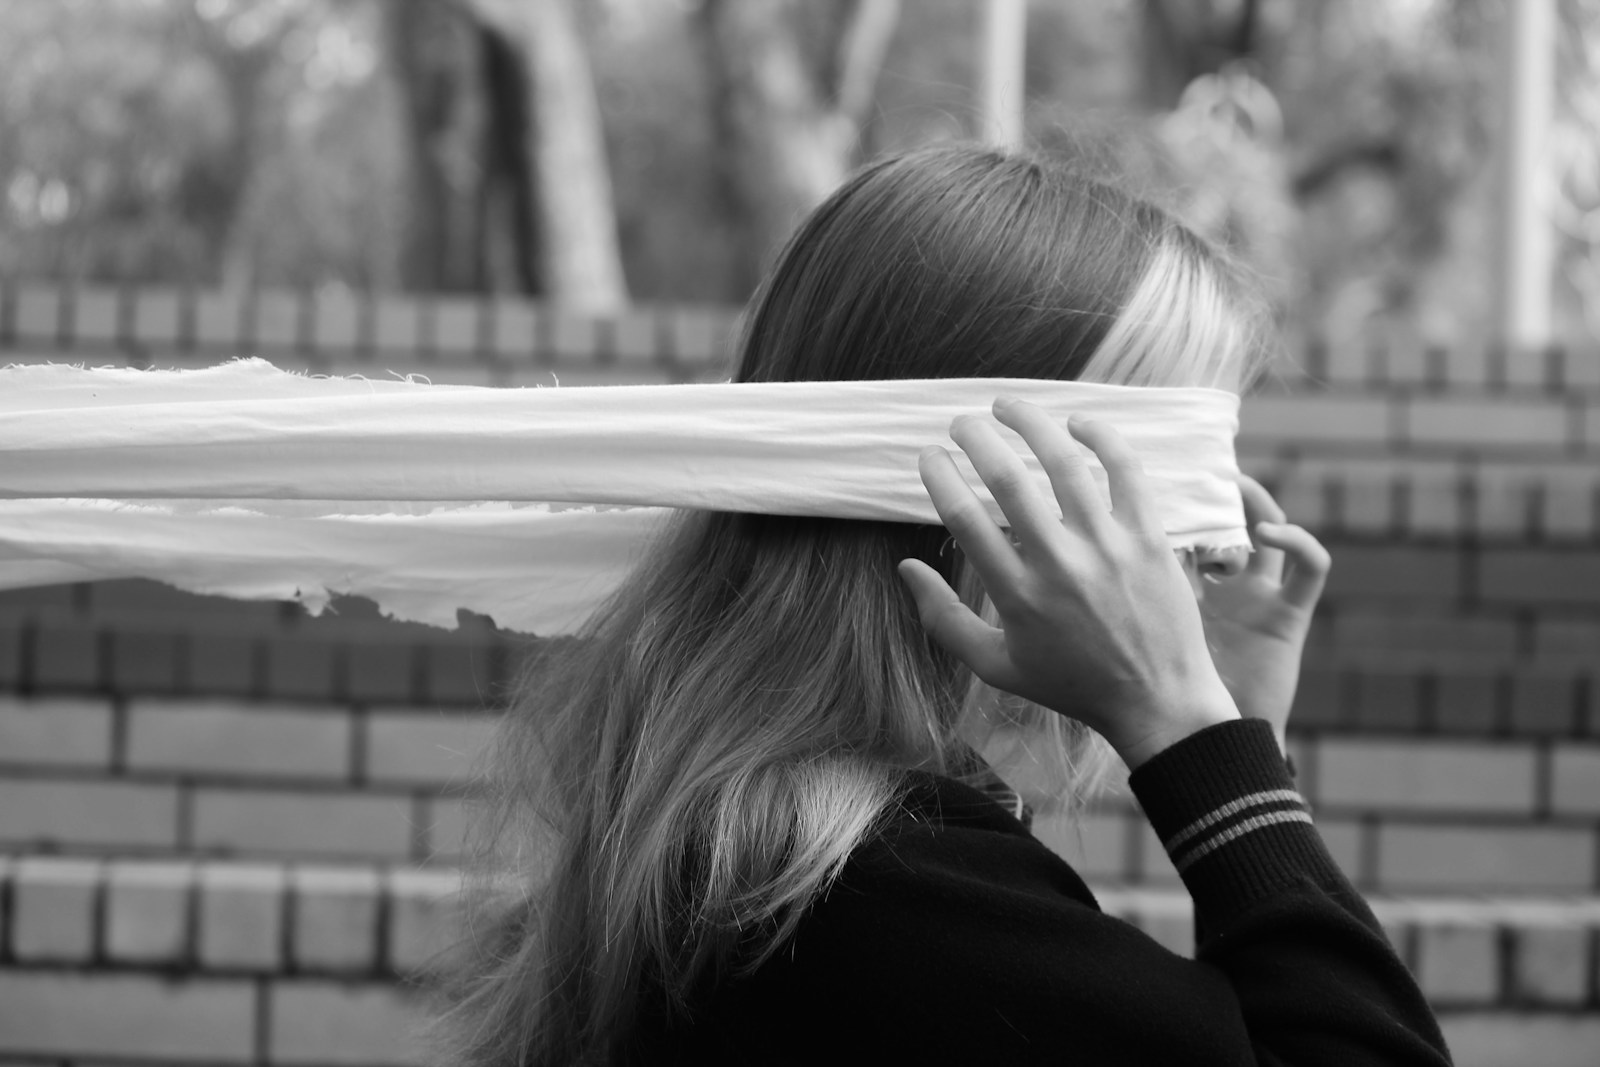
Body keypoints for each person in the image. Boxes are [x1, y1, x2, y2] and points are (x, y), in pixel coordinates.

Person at [434, 143, 1453, 1066]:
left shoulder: (762, 838)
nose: (1214, 542)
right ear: (991, 499)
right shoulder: (866, 895)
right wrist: (1194, 731)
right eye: (1171, 468)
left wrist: (1236, 735)